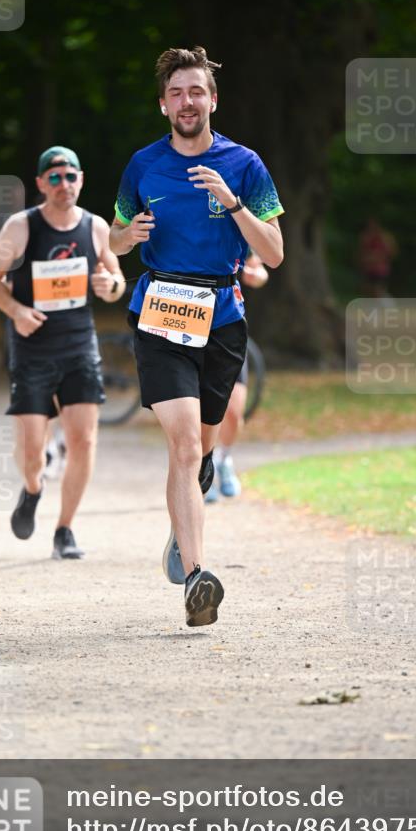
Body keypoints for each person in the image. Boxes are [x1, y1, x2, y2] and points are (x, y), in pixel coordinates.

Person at [109, 46, 284, 627]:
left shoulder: (245, 164)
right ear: (164, 105)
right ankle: (197, 578)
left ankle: (189, 508)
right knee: (183, 447)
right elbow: (112, 239)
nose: (188, 101)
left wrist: (232, 203)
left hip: (223, 317)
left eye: (197, 91)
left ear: (214, 99)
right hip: (160, 311)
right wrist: (127, 236)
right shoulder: (143, 165)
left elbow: (274, 253)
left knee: (203, 448)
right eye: (178, 93)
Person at [0, 146, 126, 559]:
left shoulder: (97, 227)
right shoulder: (21, 227)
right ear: (41, 183)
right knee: (32, 453)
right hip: (32, 350)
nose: (65, 184)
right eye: (56, 177)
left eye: (72, 176)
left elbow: (114, 279)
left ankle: (65, 529)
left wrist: (110, 287)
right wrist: (15, 310)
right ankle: (32, 489)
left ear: (81, 180)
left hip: (80, 345)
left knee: (83, 440)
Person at [205, 251, 269, 502]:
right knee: (200, 413)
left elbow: (261, 270)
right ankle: (204, 469)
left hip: (228, 332)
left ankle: (223, 459)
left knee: (232, 412)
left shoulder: (233, 225)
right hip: (188, 330)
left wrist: (256, 275)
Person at [357, 218, 397, 302]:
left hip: (380, 269)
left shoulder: (384, 238)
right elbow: (362, 253)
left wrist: (376, 258)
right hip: (369, 269)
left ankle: (389, 305)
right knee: (368, 290)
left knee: (378, 290)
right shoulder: (366, 238)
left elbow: (390, 252)